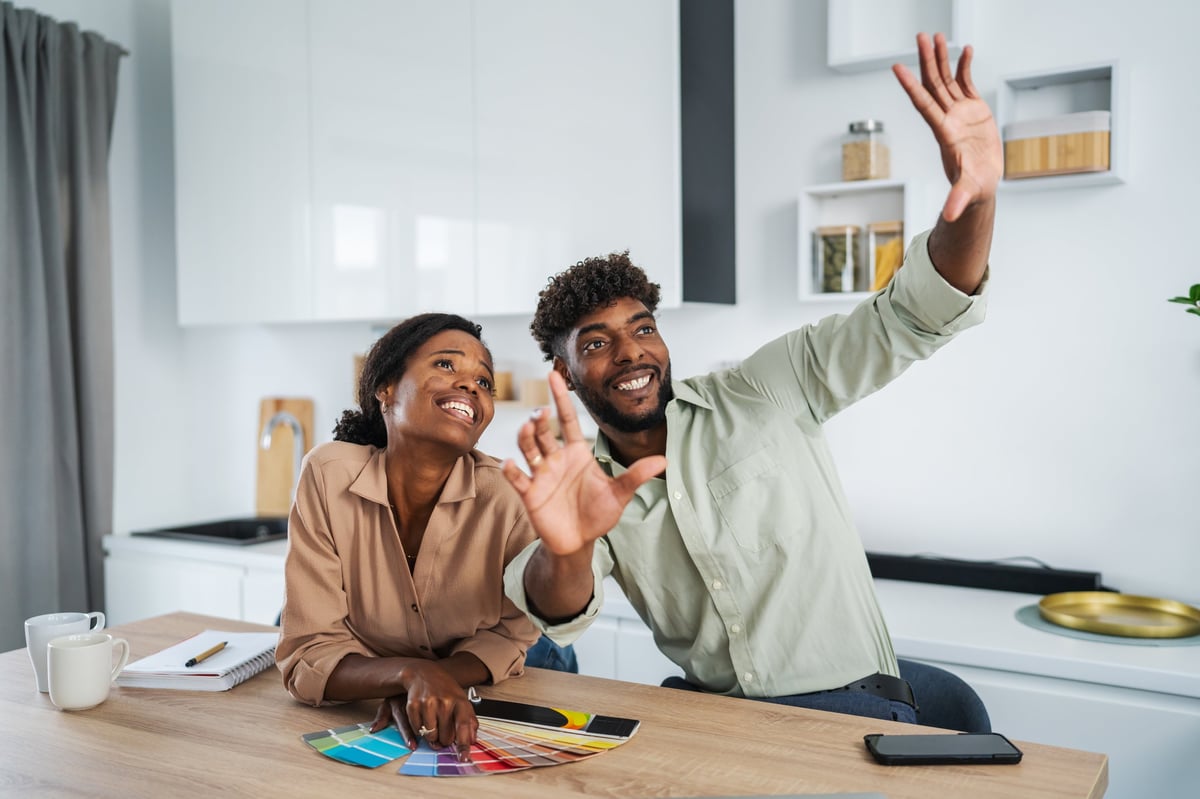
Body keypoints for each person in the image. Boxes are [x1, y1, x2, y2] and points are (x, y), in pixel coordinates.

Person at [499, 33, 1000, 727]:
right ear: (564, 370)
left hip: (853, 712)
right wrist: (570, 544)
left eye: (642, 327)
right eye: (597, 342)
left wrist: (976, 198)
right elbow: (559, 609)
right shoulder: (591, 486)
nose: (632, 353)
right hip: (723, 724)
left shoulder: (766, 386)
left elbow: (915, 313)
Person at [276, 313, 545, 758]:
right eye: (446, 365)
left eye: (483, 380)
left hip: (501, 675)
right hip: (382, 687)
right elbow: (308, 655)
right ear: (385, 388)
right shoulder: (328, 474)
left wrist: (429, 677)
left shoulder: (508, 495)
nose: (470, 384)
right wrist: (409, 674)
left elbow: (509, 638)